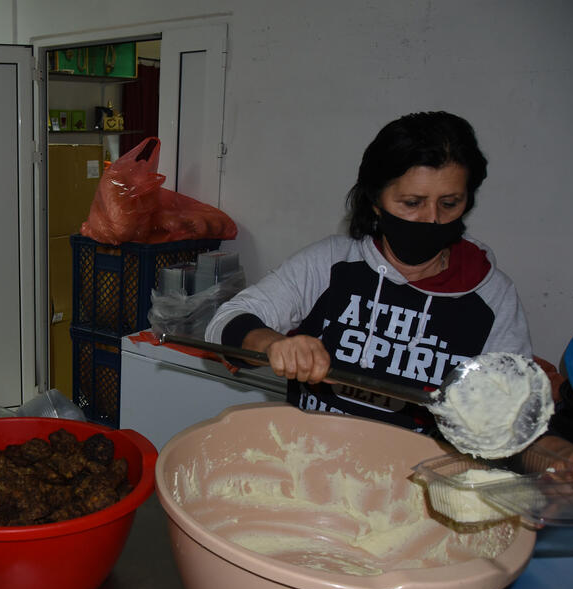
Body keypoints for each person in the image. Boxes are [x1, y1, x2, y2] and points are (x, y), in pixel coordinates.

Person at [205, 111, 533, 435]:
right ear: (376, 201)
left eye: (449, 204)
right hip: (310, 456)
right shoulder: (331, 263)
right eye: (412, 202)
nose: (431, 219)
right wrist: (272, 343)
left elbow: (514, 412)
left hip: (420, 475)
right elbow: (226, 322)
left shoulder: (492, 296)